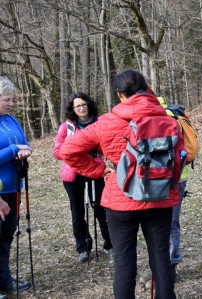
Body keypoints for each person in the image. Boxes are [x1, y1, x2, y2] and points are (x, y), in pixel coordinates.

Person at [61, 70, 181, 299]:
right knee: (161, 259)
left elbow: (68, 151)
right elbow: (177, 159)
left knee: (124, 264)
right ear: (147, 89)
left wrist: (100, 171)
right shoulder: (168, 120)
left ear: (119, 94)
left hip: (121, 201)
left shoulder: (106, 123)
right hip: (160, 197)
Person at [53, 92, 112, 262]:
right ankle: (83, 246)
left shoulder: (100, 123)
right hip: (73, 173)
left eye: (84, 104)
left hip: (97, 170)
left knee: (102, 208)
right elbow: (57, 152)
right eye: (78, 106)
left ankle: (110, 244)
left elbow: (109, 146)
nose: (82, 108)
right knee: (77, 211)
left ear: (89, 104)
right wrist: (77, 150)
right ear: (73, 109)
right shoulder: (66, 127)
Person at [0, 77, 33, 295]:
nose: (12, 103)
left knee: (6, 235)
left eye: (12, 99)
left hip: (14, 188)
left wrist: (25, 150)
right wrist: (14, 150)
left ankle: (4, 280)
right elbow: (14, 147)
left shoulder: (11, 120)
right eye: (7, 99)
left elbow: (25, 143)